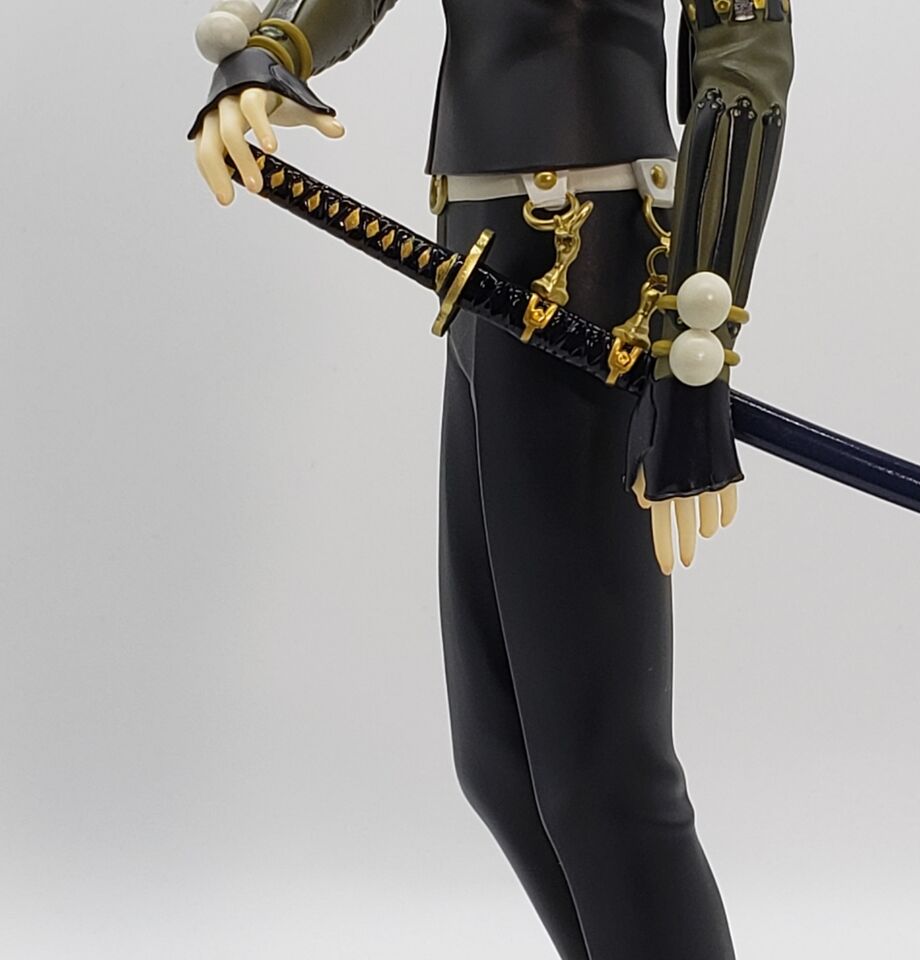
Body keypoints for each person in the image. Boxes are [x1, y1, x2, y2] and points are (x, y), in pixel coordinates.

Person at [188, 2, 794, 956]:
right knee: (500, 759)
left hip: (594, 261)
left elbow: (744, 44)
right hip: (479, 260)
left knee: (601, 772)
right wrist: (278, 46)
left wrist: (696, 339)